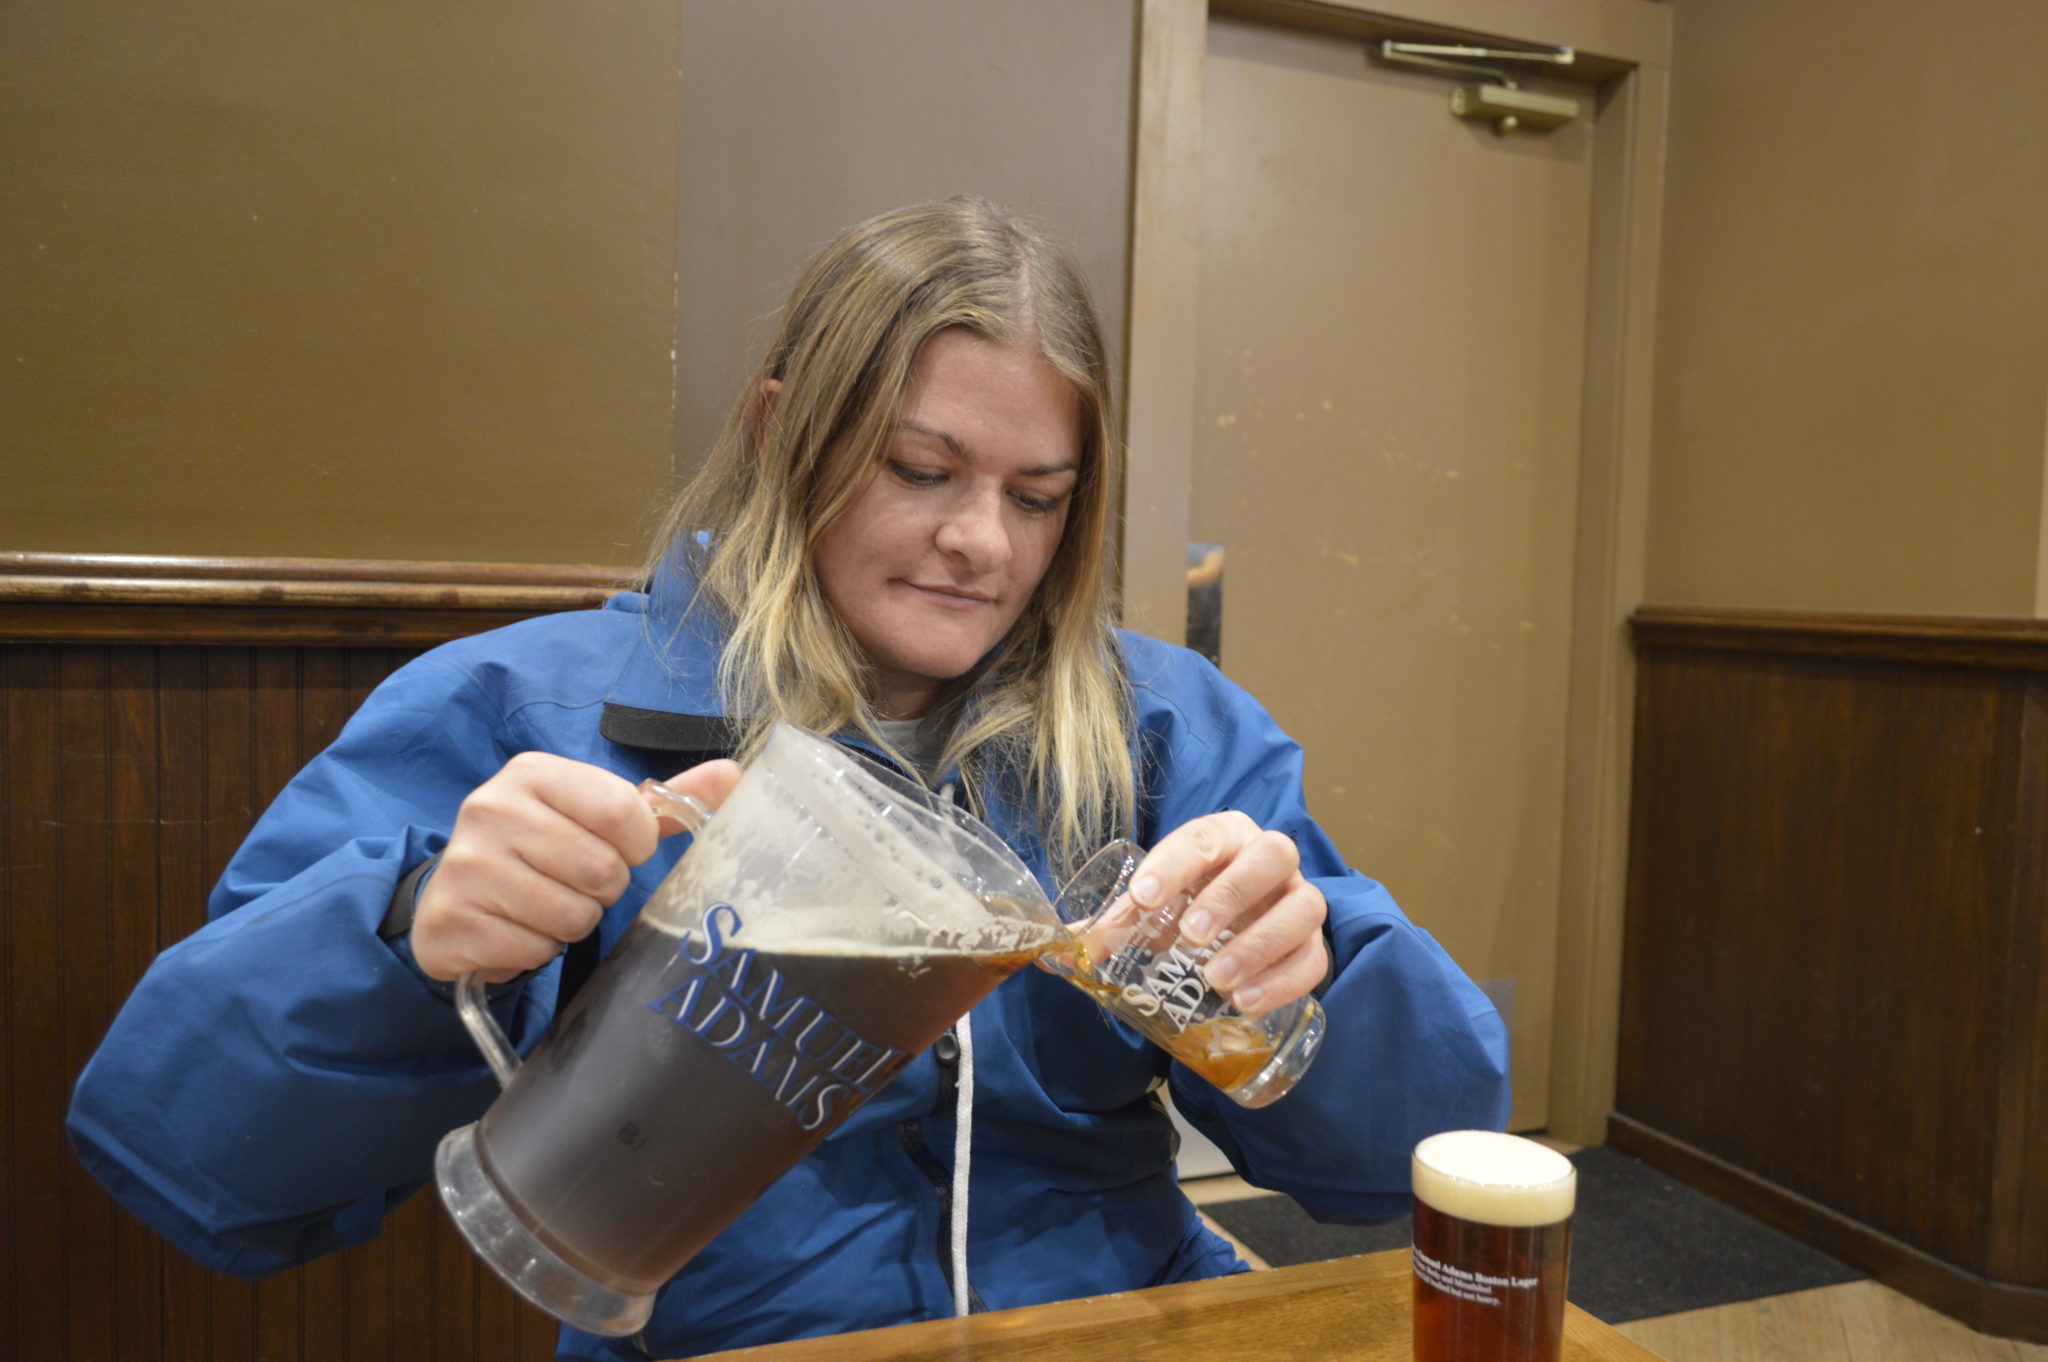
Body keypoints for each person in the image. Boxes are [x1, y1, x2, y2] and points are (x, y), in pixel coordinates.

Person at [69, 197, 1509, 1360]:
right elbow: (193, 1159)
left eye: (1037, 496)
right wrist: (402, 938)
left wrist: (1307, 987)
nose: (983, 544)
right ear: (780, 439)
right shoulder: (531, 711)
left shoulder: (1165, 732)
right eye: (920, 468)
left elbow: (1409, 1156)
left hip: (1119, 1317)